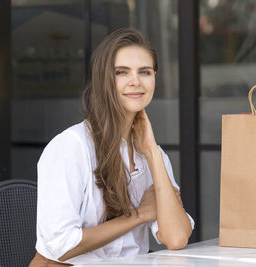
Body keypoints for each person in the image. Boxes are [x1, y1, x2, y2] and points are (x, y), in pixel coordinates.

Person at [29, 28, 194, 266]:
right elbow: (60, 246)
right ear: (103, 79)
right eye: (121, 72)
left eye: (145, 72)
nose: (135, 81)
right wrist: (138, 216)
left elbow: (176, 238)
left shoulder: (150, 152)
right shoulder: (72, 146)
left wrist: (153, 154)